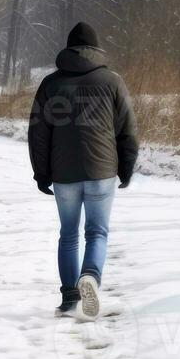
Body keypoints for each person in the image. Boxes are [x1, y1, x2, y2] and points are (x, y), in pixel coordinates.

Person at [28, 22, 139, 319]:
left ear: (67, 49)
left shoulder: (51, 84)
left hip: (64, 174)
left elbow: (38, 133)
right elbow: (127, 129)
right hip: (102, 170)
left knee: (68, 234)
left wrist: (41, 173)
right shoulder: (112, 81)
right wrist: (126, 168)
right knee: (97, 232)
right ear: (96, 49)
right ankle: (90, 276)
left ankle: (68, 298)